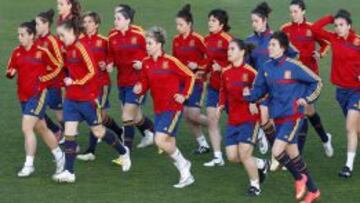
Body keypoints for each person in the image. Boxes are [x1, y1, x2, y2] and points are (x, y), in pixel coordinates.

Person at [244, 31, 322, 203]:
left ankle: (299, 178)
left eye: (273, 45)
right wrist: (249, 95)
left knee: (277, 151)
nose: (269, 47)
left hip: (293, 116)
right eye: (269, 44)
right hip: (277, 118)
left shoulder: (294, 66)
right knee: (294, 156)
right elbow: (259, 90)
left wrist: (306, 99)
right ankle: (314, 191)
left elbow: (317, 81)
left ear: (283, 48)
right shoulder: (265, 68)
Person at [52, 19, 131, 183]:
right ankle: (69, 172)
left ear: (72, 33)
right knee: (69, 133)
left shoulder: (82, 48)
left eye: (62, 35)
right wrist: (65, 78)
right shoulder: (66, 48)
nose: (60, 38)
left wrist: (75, 82)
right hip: (71, 99)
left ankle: (123, 153)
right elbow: (66, 69)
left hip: (87, 99)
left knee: (98, 131)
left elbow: (92, 72)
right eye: (58, 35)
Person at [133, 26, 195, 188]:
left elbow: (190, 75)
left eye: (150, 43)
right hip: (159, 108)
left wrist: (185, 95)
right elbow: (145, 80)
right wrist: (140, 86)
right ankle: (186, 175)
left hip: (173, 108)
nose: (147, 46)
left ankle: (183, 164)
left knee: (159, 140)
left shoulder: (171, 62)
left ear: (159, 45)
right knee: (169, 142)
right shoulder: (146, 63)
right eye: (146, 43)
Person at [6, 20, 65, 178]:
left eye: (23, 35)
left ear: (31, 36)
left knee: (26, 128)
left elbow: (58, 65)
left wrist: (44, 79)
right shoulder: (16, 52)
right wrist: (11, 72)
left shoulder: (42, 51)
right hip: (23, 96)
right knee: (42, 128)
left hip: (38, 94)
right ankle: (60, 156)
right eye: (18, 35)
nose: (20, 37)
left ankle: (29, 164)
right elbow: (11, 67)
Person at [281, 0, 333, 157]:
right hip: (292, 79)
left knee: (302, 113)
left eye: (296, 11)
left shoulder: (312, 28)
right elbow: (280, 48)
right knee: (307, 112)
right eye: (291, 12)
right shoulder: (285, 29)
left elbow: (326, 43)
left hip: (310, 78)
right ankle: (325, 138)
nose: (293, 14)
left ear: (303, 11)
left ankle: (297, 154)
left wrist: (320, 53)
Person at [217, 38, 269, 196]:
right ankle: (261, 163)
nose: (229, 52)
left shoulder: (251, 73)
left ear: (242, 52)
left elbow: (265, 92)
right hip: (233, 120)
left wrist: (254, 100)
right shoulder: (225, 72)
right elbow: (223, 91)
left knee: (245, 153)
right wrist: (220, 105)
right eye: (228, 49)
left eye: (232, 49)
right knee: (232, 156)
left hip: (250, 119)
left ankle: (255, 185)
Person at [312, 9, 360, 178]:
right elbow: (316, 28)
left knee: (349, 127)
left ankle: (348, 166)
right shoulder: (334, 38)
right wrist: (331, 17)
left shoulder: (357, 42)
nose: (338, 28)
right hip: (341, 92)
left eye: (341, 25)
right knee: (356, 129)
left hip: (357, 91)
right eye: (336, 25)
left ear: (349, 26)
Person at [75, 11, 125, 161]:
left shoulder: (104, 41)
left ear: (96, 24)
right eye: (85, 21)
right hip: (86, 85)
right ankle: (119, 131)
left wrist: (107, 64)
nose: (87, 24)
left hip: (101, 84)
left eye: (90, 21)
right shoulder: (79, 41)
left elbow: (112, 57)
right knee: (100, 116)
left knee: (95, 114)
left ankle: (91, 151)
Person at [108, 6, 155, 152]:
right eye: (115, 18)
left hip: (138, 81)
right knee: (135, 116)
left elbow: (152, 53)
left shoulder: (140, 35)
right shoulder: (112, 36)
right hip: (122, 80)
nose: (115, 21)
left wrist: (143, 63)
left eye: (118, 18)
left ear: (128, 20)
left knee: (127, 115)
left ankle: (126, 152)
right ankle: (153, 133)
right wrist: (110, 64)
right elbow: (111, 55)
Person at [172, 4, 210, 156]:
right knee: (187, 116)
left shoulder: (198, 39)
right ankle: (203, 144)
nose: (178, 27)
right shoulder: (176, 40)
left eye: (181, 24)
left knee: (193, 115)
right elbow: (174, 60)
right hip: (182, 83)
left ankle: (213, 126)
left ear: (189, 24)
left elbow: (210, 58)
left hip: (197, 81)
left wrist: (198, 65)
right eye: (177, 24)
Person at [203, 8, 232, 166]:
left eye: (213, 20)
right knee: (212, 120)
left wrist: (222, 69)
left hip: (229, 89)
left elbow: (238, 62)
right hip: (214, 87)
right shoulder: (206, 39)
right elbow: (207, 62)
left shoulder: (228, 40)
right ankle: (217, 156)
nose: (210, 23)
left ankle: (256, 136)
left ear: (221, 24)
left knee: (236, 120)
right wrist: (201, 71)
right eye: (209, 20)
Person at [35, 9, 65, 142]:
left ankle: (66, 134)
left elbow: (60, 63)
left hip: (54, 82)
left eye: (38, 24)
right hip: (41, 83)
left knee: (58, 112)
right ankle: (56, 130)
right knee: (36, 110)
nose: (36, 27)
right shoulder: (37, 40)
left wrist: (45, 69)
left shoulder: (52, 41)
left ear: (46, 24)